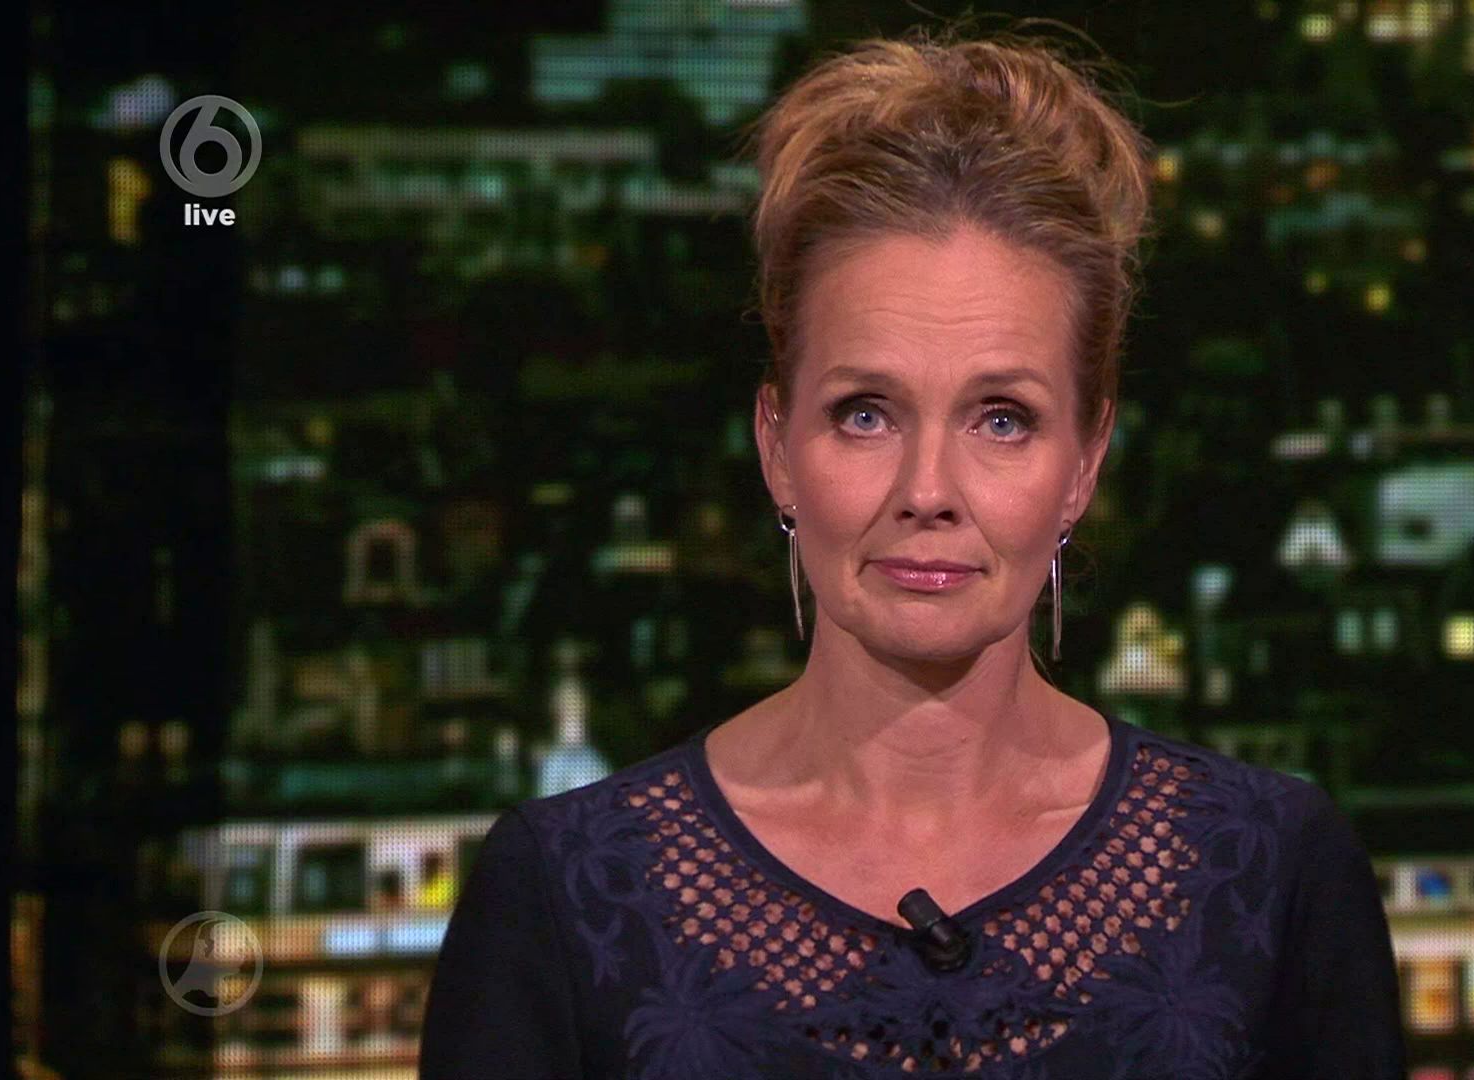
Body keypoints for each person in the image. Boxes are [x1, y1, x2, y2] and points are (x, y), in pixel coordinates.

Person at [420, 21, 1405, 1080]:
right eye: (865, 414)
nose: (927, 492)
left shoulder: (1273, 876)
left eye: (1001, 419)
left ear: (1084, 462)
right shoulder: (565, 894)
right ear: (776, 447)